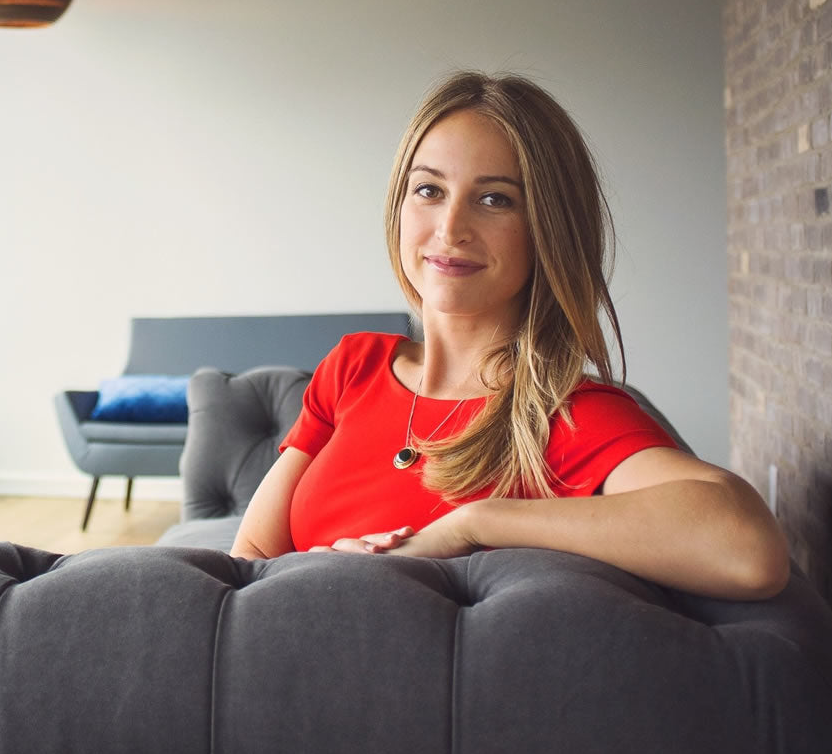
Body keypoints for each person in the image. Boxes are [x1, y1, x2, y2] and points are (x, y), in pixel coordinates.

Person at [231, 70, 789, 600]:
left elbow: (748, 548)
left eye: (495, 198)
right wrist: (324, 579)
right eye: (429, 190)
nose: (450, 228)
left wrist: (475, 524)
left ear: (547, 228)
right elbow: (251, 556)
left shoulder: (564, 416)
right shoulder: (355, 366)